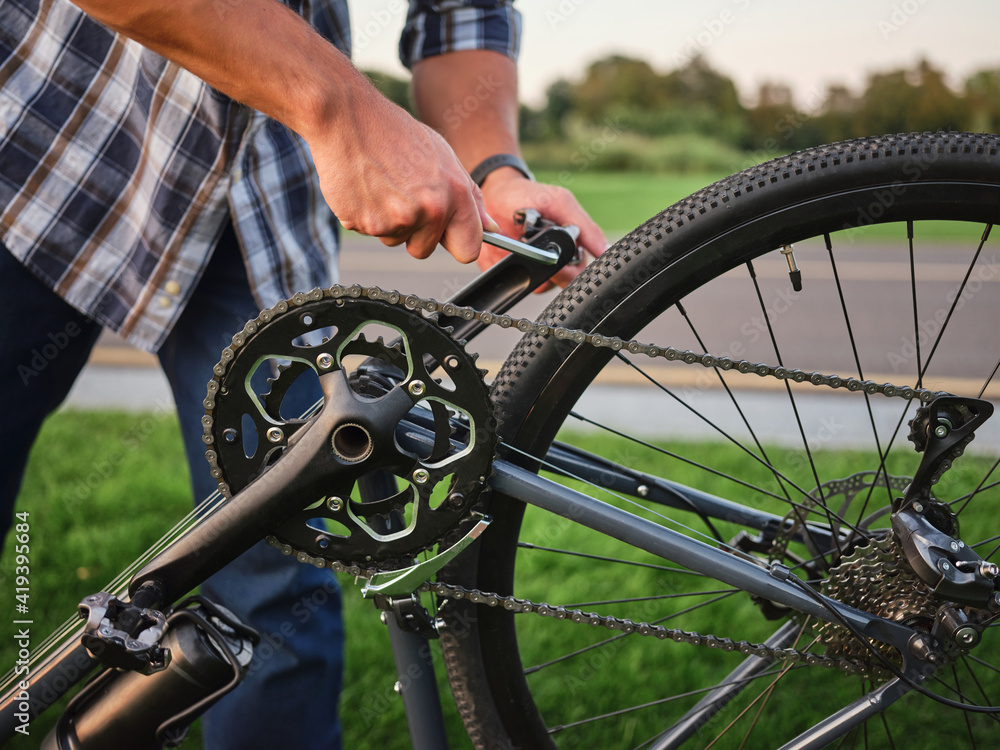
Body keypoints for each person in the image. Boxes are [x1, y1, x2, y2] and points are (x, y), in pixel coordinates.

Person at [0, 0, 605, 747]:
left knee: (278, 570)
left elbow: (460, 15)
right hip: (40, 148)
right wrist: (340, 107)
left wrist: (494, 172)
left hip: (259, 208)